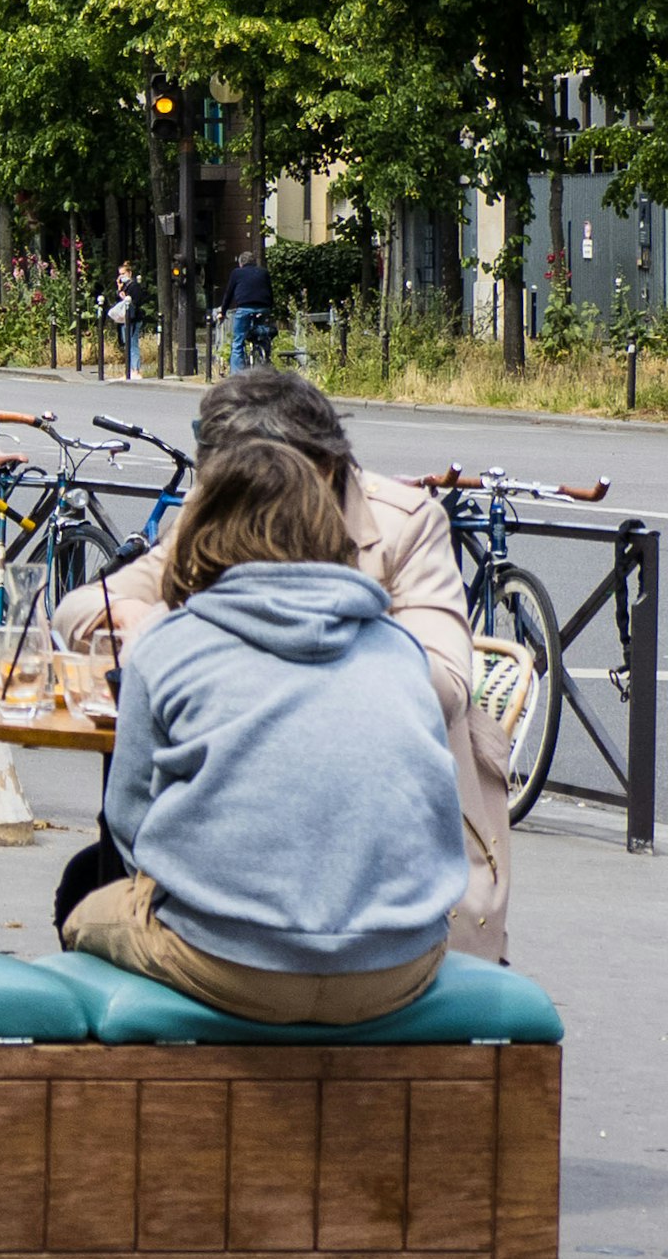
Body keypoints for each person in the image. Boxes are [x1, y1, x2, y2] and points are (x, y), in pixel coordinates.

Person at [54, 366, 508, 957]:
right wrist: (144, 625)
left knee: (121, 894)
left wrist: (278, 641)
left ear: (316, 466)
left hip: (388, 851)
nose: (230, 496)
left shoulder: (403, 522)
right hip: (278, 845)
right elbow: (87, 606)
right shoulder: (218, 507)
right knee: (91, 878)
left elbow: (444, 682)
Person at [69, 438, 466, 1023]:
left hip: (227, 960)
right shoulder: (399, 649)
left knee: (83, 907)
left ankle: (136, 1090)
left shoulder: (167, 643)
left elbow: (130, 824)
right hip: (397, 962)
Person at [225, 240, 274, 366]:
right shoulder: (263, 272)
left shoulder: (236, 273)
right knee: (261, 334)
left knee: (238, 342)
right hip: (263, 308)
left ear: (241, 263)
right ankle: (265, 359)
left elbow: (228, 294)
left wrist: (222, 311)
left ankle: (236, 376)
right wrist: (270, 309)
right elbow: (270, 292)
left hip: (245, 308)